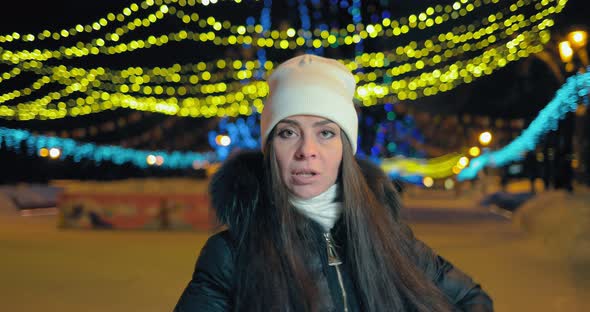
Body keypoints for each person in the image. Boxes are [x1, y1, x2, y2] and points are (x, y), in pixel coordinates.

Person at [174, 54, 493, 311]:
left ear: (345, 148)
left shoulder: (387, 236)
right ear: (271, 148)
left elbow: (472, 299)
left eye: (325, 133)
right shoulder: (230, 254)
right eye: (288, 132)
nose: (306, 151)